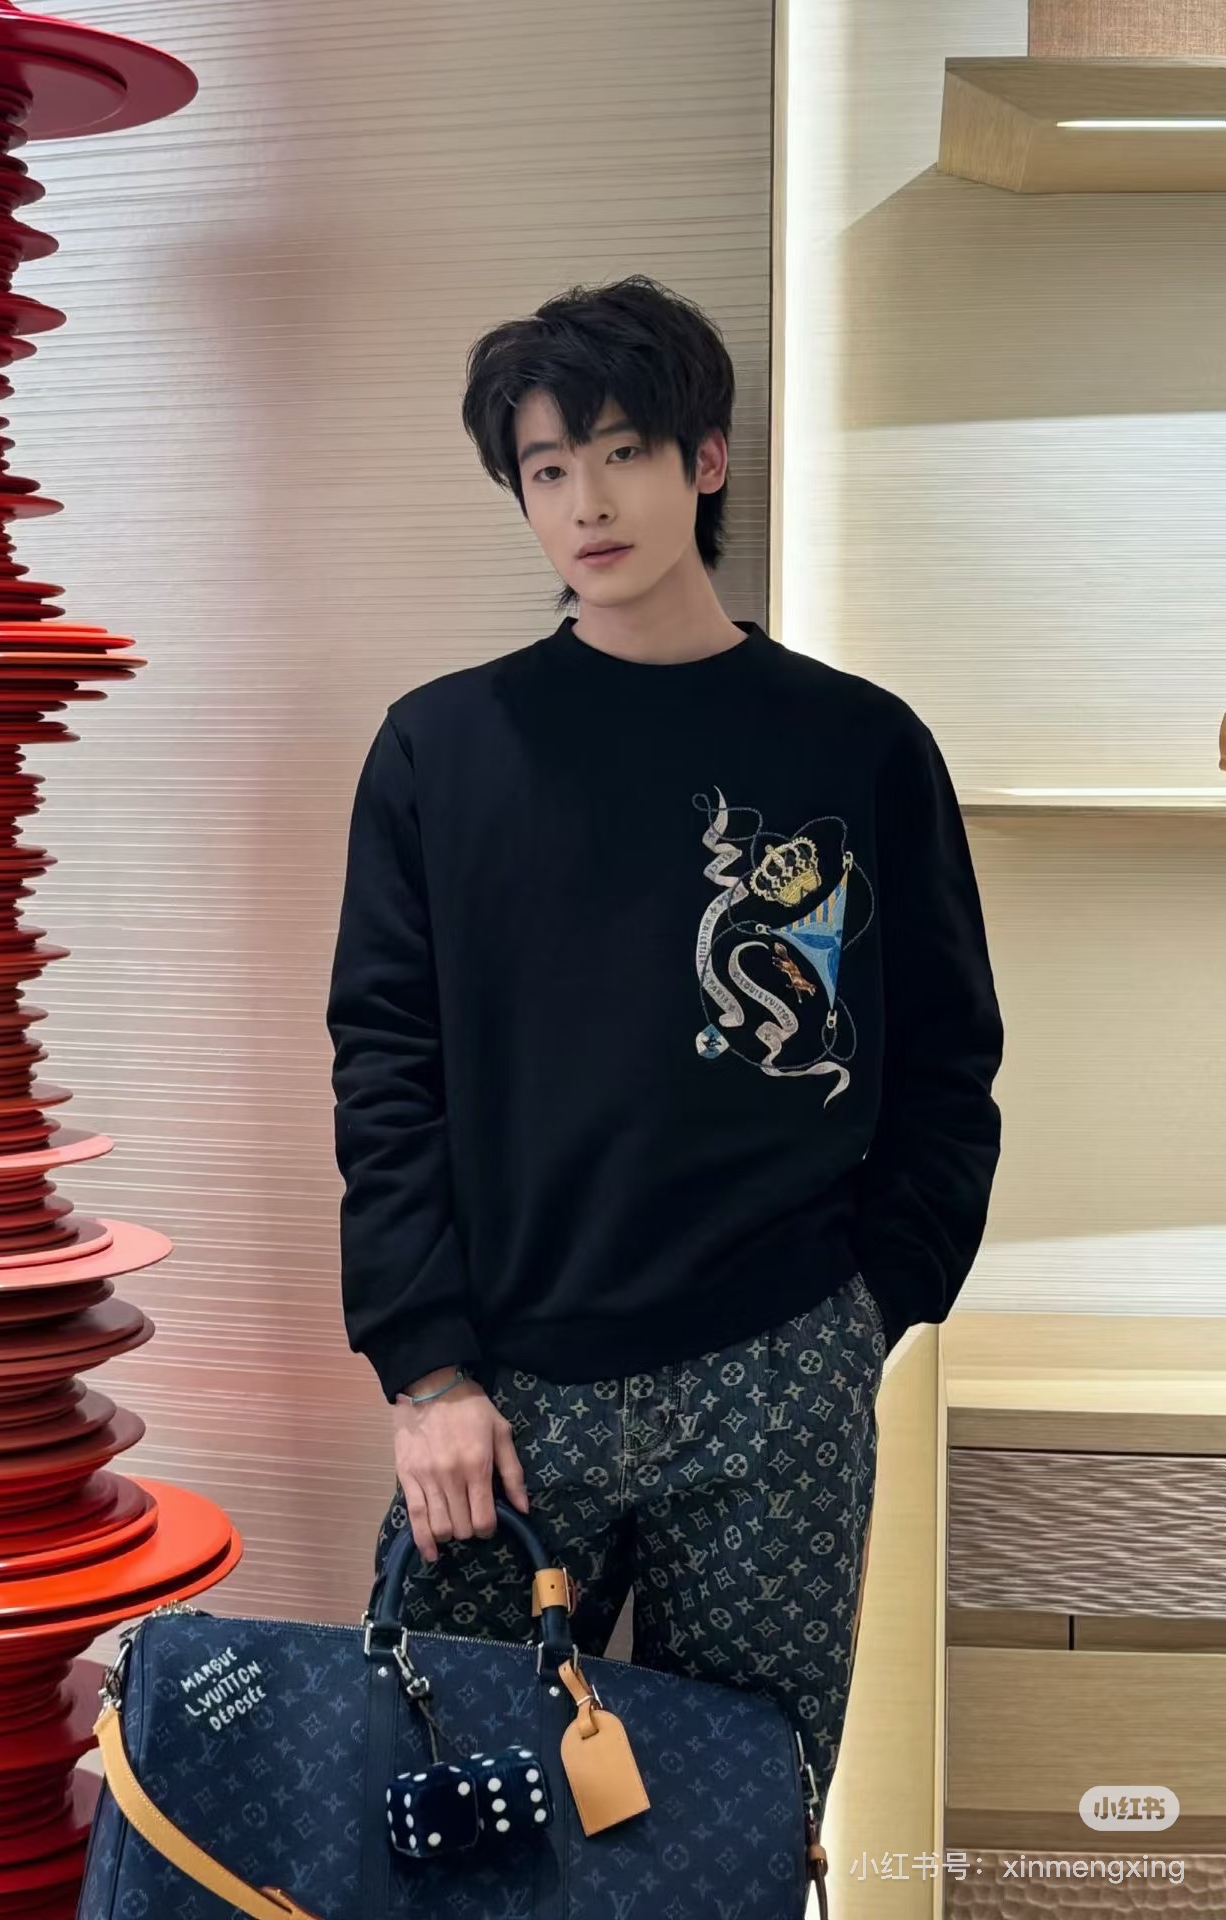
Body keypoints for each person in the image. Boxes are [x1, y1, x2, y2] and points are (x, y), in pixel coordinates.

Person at [324, 272, 1004, 1809]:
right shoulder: (443, 747)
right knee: (441, 1810)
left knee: (741, 1819)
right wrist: (425, 1369)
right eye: (546, 468)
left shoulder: (858, 744)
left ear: (705, 459)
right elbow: (385, 1066)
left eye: (622, 451)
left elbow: (948, 1057)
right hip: (506, 1387)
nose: (586, 501)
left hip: (780, 1368)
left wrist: (867, 1314)